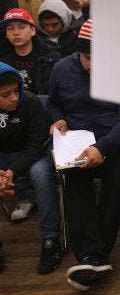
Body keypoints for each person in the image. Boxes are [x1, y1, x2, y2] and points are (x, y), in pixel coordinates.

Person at [46, 19, 120, 291]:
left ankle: (94, 254)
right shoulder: (61, 70)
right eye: (89, 57)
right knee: (73, 175)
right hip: (80, 138)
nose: (94, 65)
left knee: (118, 178)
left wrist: (102, 148)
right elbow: (54, 102)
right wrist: (58, 121)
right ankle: (93, 255)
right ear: (78, 51)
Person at [0, 62, 63, 274]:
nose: (14, 98)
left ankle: (51, 238)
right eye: (5, 94)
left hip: (33, 154)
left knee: (40, 174)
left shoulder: (32, 103)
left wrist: (12, 171)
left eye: (16, 91)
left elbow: (36, 146)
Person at [0, 8, 62, 95]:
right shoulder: (2, 60)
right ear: (6, 34)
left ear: (33, 30)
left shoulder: (51, 57)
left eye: (21, 27)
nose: (16, 32)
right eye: (10, 29)